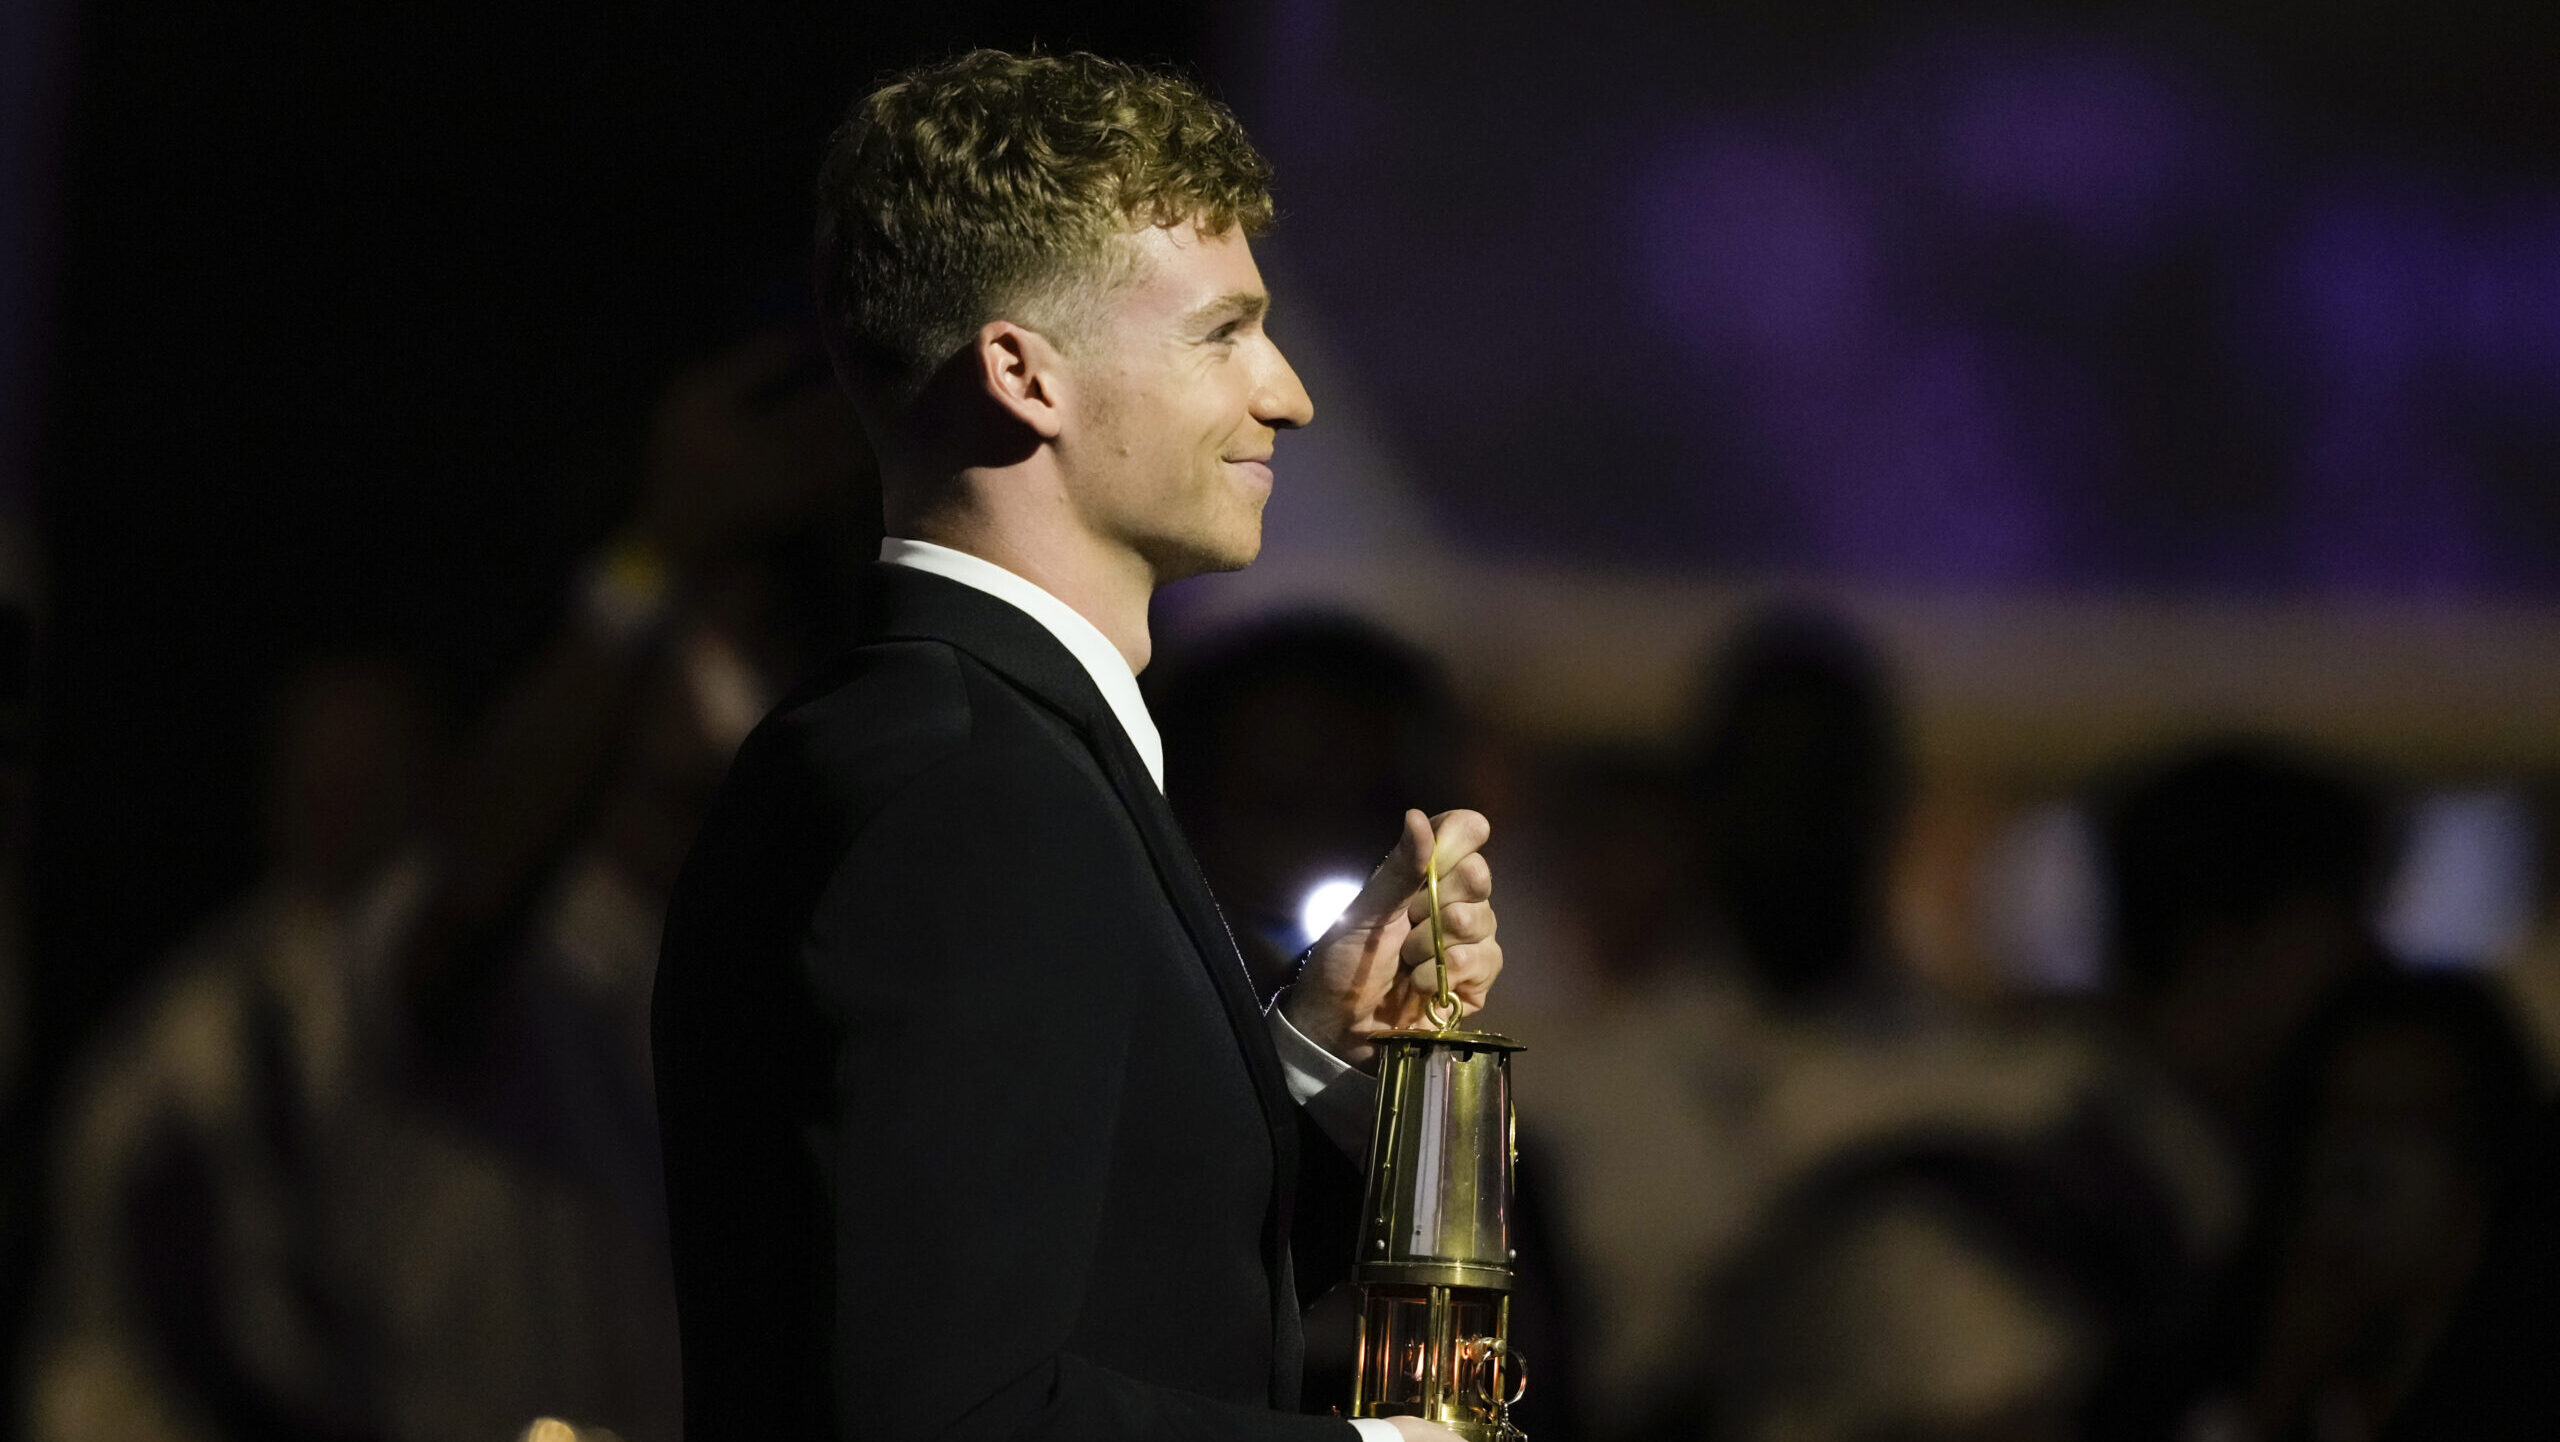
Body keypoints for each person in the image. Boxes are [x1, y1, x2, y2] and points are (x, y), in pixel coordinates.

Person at [651, 50, 1504, 1442]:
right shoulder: (967, 781)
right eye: (1222, 332)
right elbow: (941, 1409)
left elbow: (1107, 1281)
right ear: (1022, 374)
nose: (1284, 392)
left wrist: (1303, 1053)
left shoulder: (952, 745)